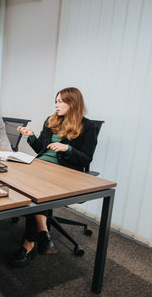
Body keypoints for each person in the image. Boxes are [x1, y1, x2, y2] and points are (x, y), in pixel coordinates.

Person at [12, 87, 98, 267]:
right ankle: (43, 231)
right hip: (41, 165)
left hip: (64, 171)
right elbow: (40, 150)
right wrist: (31, 136)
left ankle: (29, 244)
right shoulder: (51, 121)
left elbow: (86, 158)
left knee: (32, 192)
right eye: (56, 101)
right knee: (16, 178)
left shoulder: (87, 126)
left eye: (60, 102)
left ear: (72, 103)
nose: (56, 105)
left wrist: (68, 149)